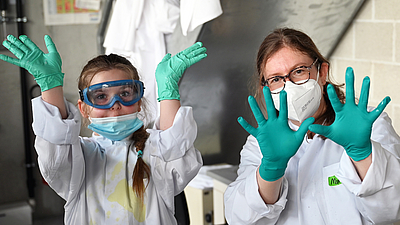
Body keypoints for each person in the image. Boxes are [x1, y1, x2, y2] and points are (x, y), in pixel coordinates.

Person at [0, 34, 206, 224]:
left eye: (125, 93)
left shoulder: (154, 151)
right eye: (100, 97)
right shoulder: (79, 157)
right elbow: (55, 153)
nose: (115, 103)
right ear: (84, 108)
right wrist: (50, 85)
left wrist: (168, 88)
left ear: (139, 102)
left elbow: (175, 149)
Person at [224, 27, 400, 224]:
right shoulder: (259, 145)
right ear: (266, 88)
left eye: (299, 71)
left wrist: (362, 154)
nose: (288, 85)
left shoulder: (369, 125)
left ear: (322, 73)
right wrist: (270, 168)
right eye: (276, 79)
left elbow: (391, 211)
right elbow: (238, 218)